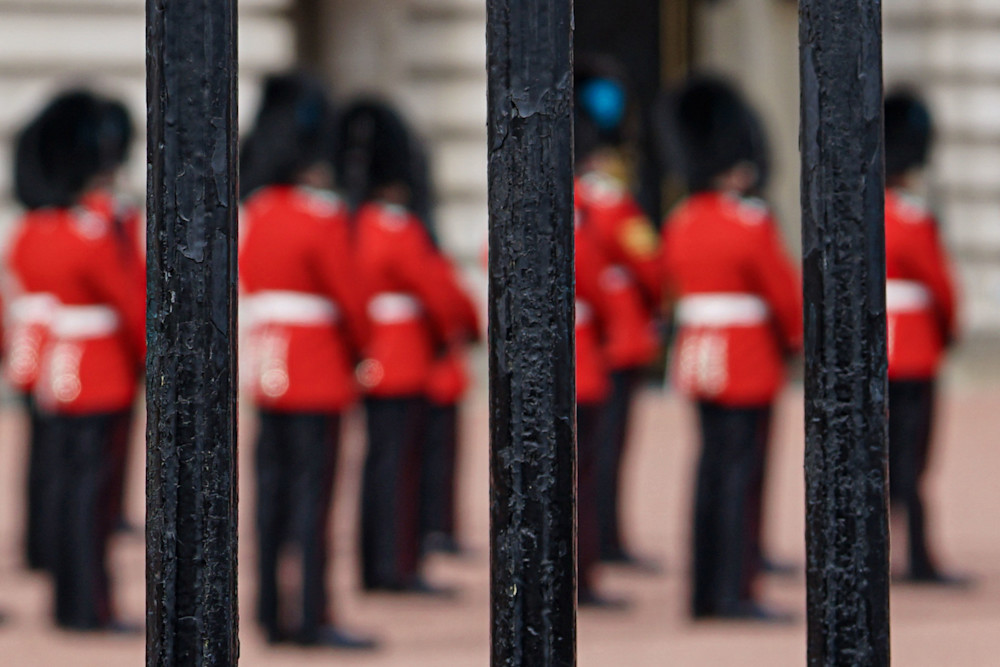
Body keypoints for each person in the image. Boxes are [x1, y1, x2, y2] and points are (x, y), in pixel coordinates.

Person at [239, 72, 377, 649]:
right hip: (317, 370)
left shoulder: (256, 213)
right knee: (311, 502)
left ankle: (269, 610)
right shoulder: (321, 219)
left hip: (269, 367)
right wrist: (362, 349)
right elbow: (351, 300)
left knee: (269, 497)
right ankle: (313, 614)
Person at [657, 76, 801, 620]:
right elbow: (784, 295)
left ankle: (703, 589)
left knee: (709, 473)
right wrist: (796, 342)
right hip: (745, 359)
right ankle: (736, 589)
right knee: (742, 476)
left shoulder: (682, 222)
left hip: (699, 357)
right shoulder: (750, 222)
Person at [8, 89, 146, 632]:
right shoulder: (90, 237)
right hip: (97, 372)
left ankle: (67, 601)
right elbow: (132, 303)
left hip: (56, 369)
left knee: (65, 490)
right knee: (91, 500)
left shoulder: (39, 230)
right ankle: (90, 606)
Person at [337, 99, 467, 594]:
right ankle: (396, 564)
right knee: (400, 467)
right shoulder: (398, 229)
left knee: (376, 465)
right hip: (404, 356)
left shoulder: (352, 226)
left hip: (370, 355)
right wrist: (459, 329)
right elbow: (438, 295)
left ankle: (375, 563)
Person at [574, 58, 662, 568]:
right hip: (617, 335)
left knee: (595, 451)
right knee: (608, 449)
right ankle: (605, 538)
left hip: (591, 337)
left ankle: (601, 538)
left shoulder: (580, 198)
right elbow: (649, 263)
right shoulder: (611, 203)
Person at [883, 90, 964, 585]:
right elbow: (942, 289)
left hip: (874, 349)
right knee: (913, 462)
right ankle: (918, 557)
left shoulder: (865, 215)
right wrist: (947, 334)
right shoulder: (913, 221)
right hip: (912, 348)